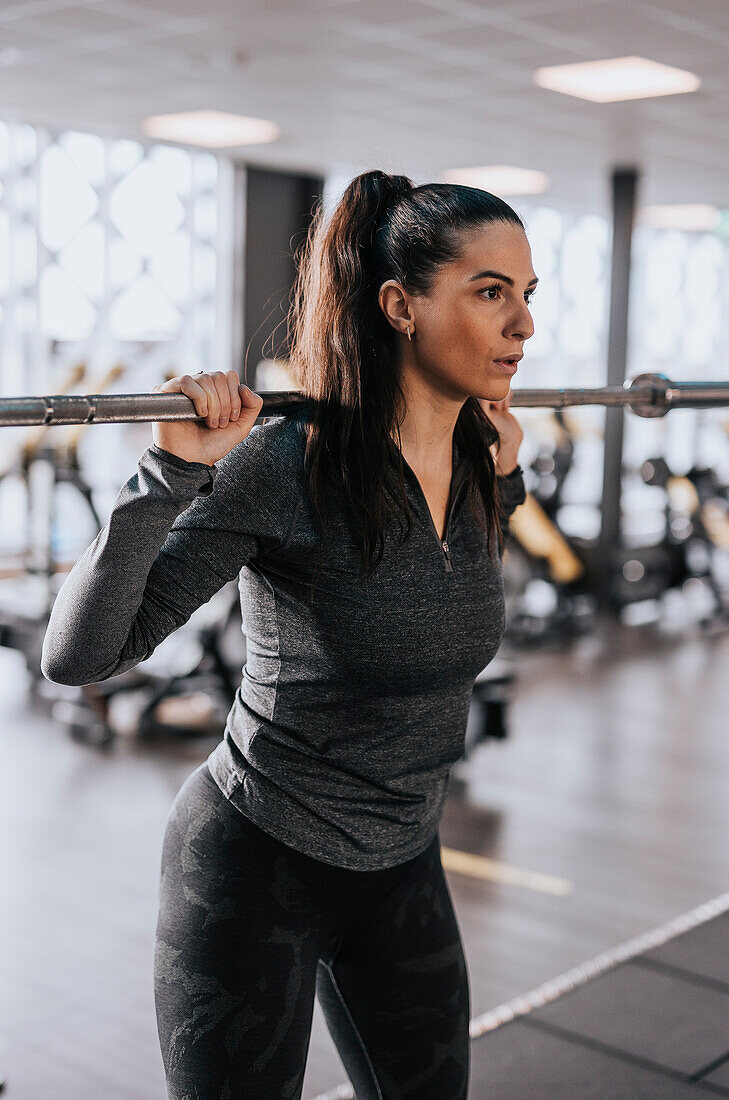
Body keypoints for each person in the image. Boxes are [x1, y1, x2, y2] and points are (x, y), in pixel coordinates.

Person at [41, 169, 533, 1099]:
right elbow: (79, 655)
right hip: (256, 866)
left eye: (526, 295)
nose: (523, 327)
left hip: (403, 860)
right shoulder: (285, 462)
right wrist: (168, 473)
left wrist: (505, 481)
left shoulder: (481, 457)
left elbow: (445, 588)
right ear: (398, 306)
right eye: (489, 292)